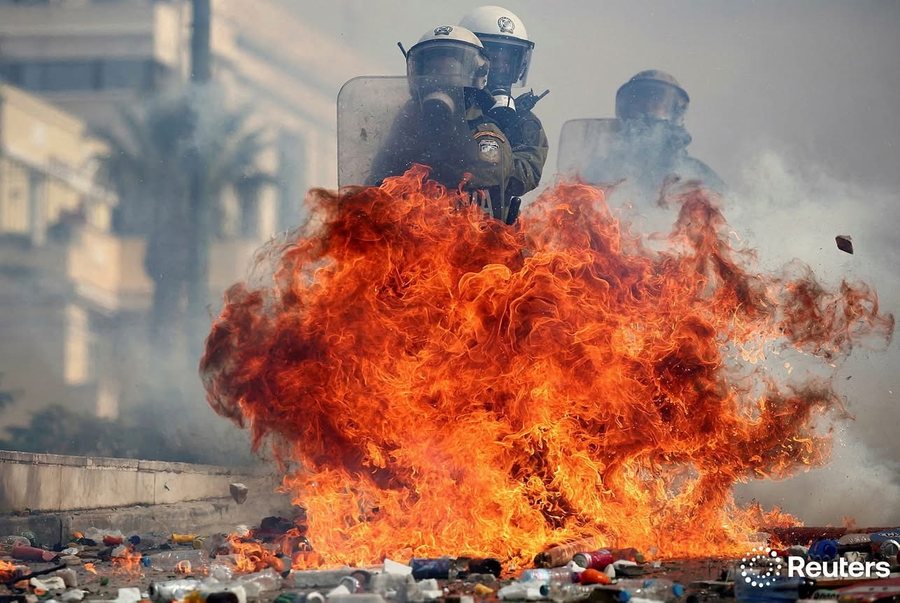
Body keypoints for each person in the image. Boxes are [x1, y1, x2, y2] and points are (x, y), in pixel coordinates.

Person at [369, 25, 521, 223]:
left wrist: (447, 135)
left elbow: (486, 180)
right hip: (408, 239)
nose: (439, 79)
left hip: (468, 242)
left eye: (449, 71)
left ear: (476, 75)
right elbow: (377, 180)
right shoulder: (406, 129)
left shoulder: (485, 133)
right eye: (432, 71)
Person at [459, 5, 549, 209]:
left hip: (490, 229)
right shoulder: (441, 108)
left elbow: (523, 178)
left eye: (508, 61)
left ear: (519, 66)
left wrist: (495, 141)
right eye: (492, 59)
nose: (500, 68)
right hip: (431, 219)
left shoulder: (525, 121)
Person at [612, 69, 725, 194]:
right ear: (626, 108)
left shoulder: (695, 173)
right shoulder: (604, 167)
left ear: (675, 110)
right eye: (640, 100)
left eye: (656, 101)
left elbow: (730, 208)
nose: (648, 107)